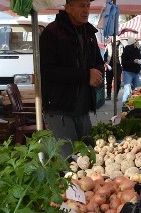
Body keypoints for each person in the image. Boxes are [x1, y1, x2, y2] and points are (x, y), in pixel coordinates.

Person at [39, 0, 104, 156]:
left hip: (83, 108)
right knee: (68, 161)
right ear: (68, 7)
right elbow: (48, 70)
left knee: (89, 157)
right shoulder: (52, 32)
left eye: (88, 5)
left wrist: (98, 73)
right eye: (81, 5)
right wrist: (86, 75)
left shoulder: (89, 33)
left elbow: (98, 63)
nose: (86, 10)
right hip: (60, 108)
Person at [121, 37, 141, 103]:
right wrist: (133, 61)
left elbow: (139, 58)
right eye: (135, 42)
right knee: (127, 90)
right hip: (128, 72)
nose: (137, 43)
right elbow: (124, 63)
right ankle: (125, 105)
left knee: (137, 90)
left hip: (136, 72)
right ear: (132, 43)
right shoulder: (126, 50)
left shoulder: (137, 50)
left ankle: (135, 104)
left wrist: (140, 63)